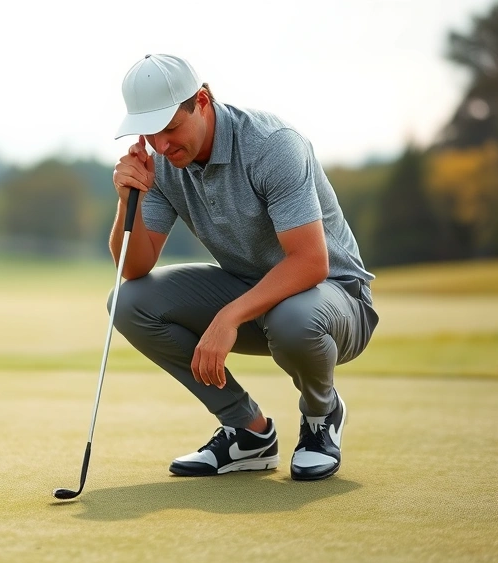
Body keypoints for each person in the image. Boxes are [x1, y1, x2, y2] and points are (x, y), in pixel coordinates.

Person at [109, 54, 379, 481]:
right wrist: (129, 200)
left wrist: (228, 316)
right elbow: (135, 266)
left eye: (170, 128)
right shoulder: (161, 162)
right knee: (128, 302)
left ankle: (320, 416)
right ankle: (248, 432)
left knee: (293, 317)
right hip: (255, 295)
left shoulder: (272, 145)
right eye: (150, 132)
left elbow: (310, 262)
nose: (161, 145)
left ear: (201, 100)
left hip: (336, 299)